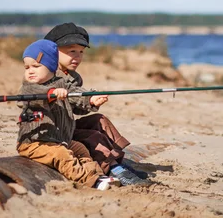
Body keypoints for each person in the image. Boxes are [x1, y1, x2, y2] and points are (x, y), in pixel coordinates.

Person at [44, 23, 150, 186]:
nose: (77, 57)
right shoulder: (46, 75)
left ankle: (116, 162)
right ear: (52, 51)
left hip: (67, 126)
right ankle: (113, 168)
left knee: (100, 120)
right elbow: (71, 94)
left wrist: (91, 102)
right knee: (92, 137)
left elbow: (76, 108)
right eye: (72, 51)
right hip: (54, 133)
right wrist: (89, 99)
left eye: (81, 52)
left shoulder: (74, 76)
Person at [16, 39, 120, 189]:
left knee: (80, 148)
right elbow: (31, 96)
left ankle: (97, 174)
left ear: (51, 66)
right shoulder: (30, 86)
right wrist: (50, 93)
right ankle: (90, 181)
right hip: (35, 143)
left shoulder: (61, 82)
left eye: (36, 66)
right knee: (61, 155)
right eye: (27, 67)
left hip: (59, 139)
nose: (30, 71)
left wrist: (91, 99)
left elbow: (75, 92)